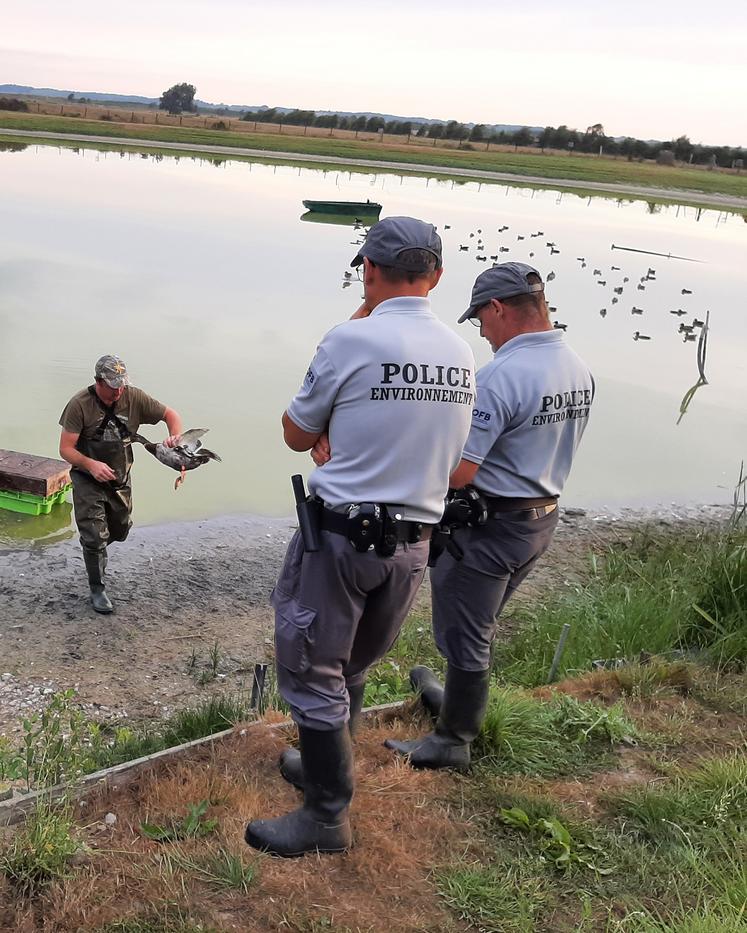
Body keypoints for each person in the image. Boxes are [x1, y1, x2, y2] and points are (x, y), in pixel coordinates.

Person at [244, 216, 475, 858]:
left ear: (368, 271)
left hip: (342, 539)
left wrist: (335, 442)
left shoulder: (350, 340)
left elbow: (295, 430)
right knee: (353, 664)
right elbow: (449, 454)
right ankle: (323, 767)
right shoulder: (461, 352)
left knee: (313, 666)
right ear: (437, 275)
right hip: (413, 546)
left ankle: (326, 815)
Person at [386, 262, 594, 770]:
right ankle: (453, 701)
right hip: (540, 519)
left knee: (468, 630)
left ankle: (454, 739)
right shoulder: (577, 367)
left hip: (490, 526)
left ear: (498, 308)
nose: (481, 331)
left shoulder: (501, 376)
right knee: (477, 621)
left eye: (481, 319)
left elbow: (459, 473)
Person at [59, 355, 182, 614]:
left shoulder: (134, 397)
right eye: (113, 386)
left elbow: (171, 414)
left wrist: (174, 438)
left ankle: (96, 547)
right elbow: (66, 450)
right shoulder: (78, 405)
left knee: (120, 529)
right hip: (87, 478)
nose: (118, 391)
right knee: (94, 535)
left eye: (121, 385)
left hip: (119, 478)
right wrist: (91, 465)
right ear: (98, 382)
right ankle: (97, 587)